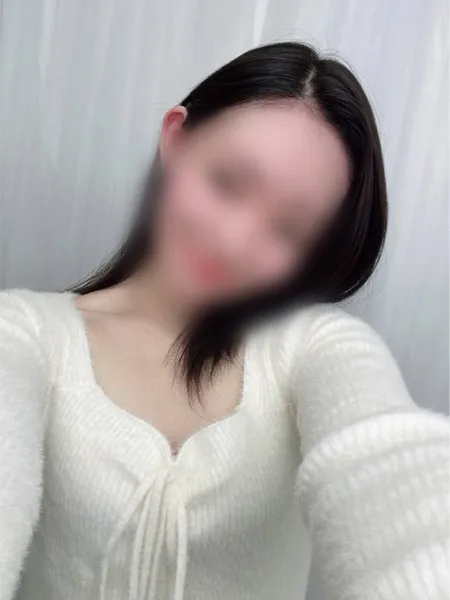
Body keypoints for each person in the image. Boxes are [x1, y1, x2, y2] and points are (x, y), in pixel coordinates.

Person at [0, 42, 448, 600]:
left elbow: (392, 482)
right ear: (175, 140)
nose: (235, 242)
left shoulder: (316, 351)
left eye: (288, 230)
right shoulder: (23, 334)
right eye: (227, 182)